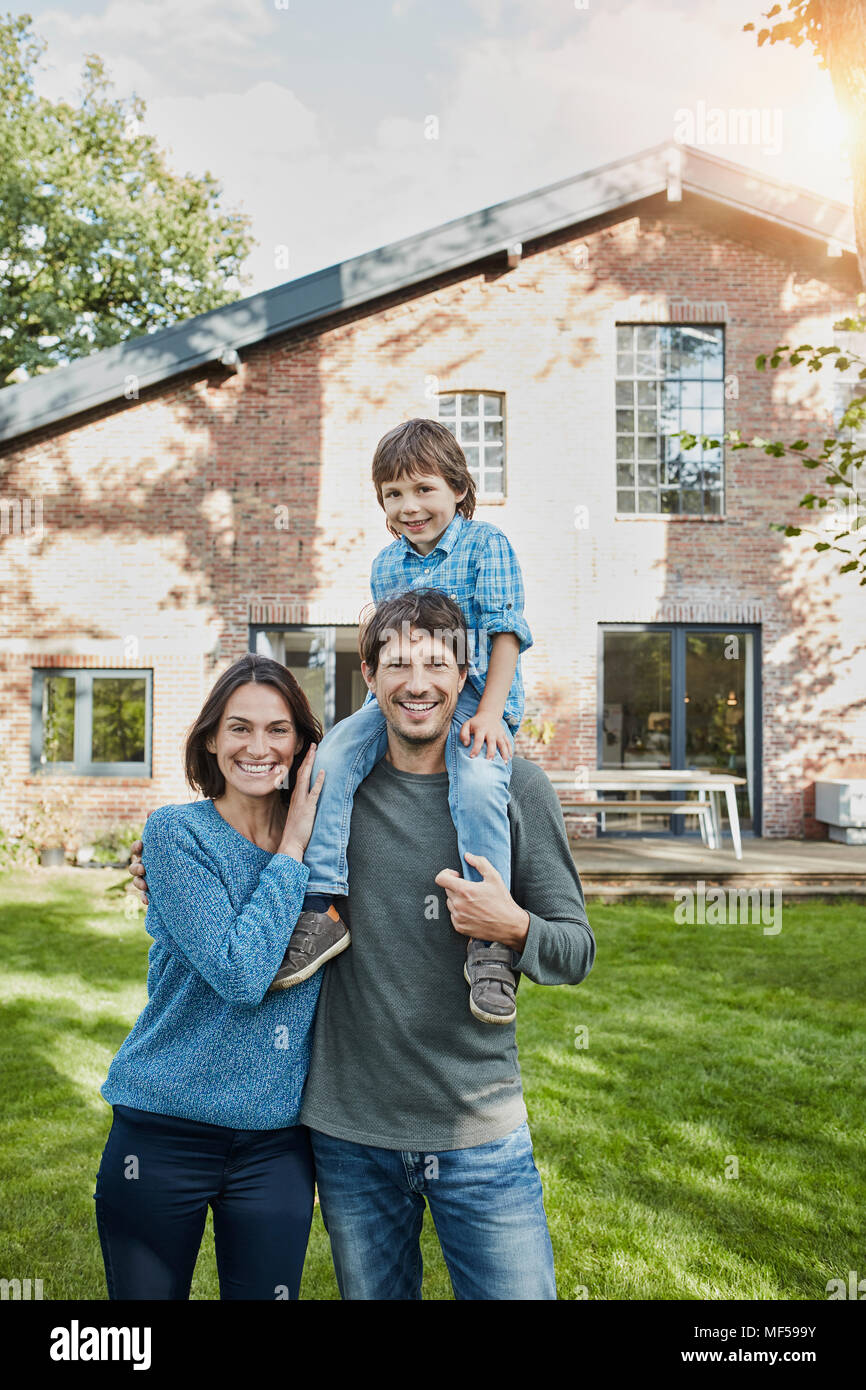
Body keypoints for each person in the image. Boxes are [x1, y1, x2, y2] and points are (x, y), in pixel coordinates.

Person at [130, 590, 596, 1300]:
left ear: (467, 675)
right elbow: (239, 845)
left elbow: (575, 950)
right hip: (348, 1138)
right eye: (398, 663)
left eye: (438, 663)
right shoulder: (323, 794)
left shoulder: (514, 787)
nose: (418, 682)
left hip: (480, 1128)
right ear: (369, 676)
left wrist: (517, 928)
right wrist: (157, 872)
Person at [269, 418, 533, 1027]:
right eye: (394, 494)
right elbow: (387, 649)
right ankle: (325, 904)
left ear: (459, 489)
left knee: (478, 781)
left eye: (423, 489)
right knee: (331, 757)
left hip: (471, 695)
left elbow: (506, 631)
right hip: (400, 694)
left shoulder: (485, 545)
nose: (409, 507)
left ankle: (489, 938)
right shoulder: (387, 565)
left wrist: (491, 712)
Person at [94, 654, 331, 1300]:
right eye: (239, 728)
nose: (259, 747)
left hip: (275, 1141)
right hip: (162, 1128)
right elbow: (240, 972)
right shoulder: (176, 835)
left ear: (304, 744)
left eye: (278, 729)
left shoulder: (332, 845)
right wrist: (291, 852)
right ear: (210, 739)